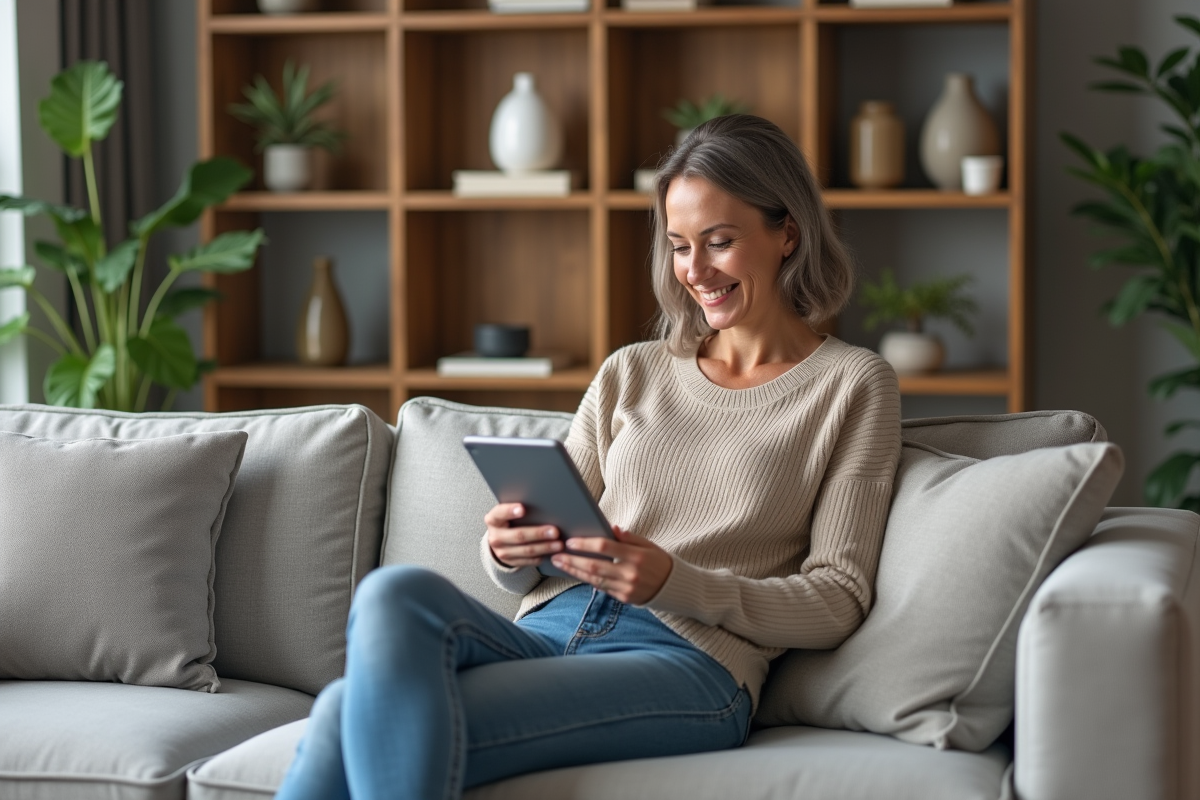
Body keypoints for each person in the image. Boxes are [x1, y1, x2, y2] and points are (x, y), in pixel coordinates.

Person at [274, 114, 901, 800]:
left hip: (685, 664)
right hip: (546, 631)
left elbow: (837, 599)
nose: (695, 271)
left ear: (789, 234)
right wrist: (508, 549)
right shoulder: (631, 372)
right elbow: (540, 544)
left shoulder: (852, 384)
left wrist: (675, 582)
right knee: (391, 593)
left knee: (343, 715)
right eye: (679, 246)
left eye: (719, 242)